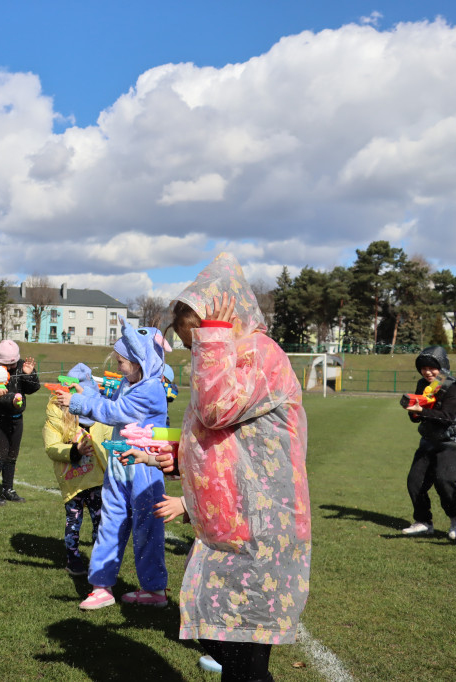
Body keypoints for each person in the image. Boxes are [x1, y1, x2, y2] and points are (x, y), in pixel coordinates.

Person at [153, 252, 311, 682]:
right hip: (235, 528)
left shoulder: (261, 354)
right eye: (192, 344)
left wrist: (213, 337)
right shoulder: (227, 353)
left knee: (246, 659)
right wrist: (182, 463)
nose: (194, 351)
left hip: (262, 530)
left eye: (194, 339)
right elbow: (222, 440)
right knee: (230, 647)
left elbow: (215, 408)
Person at [54, 319, 171, 610]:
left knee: (147, 530)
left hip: (146, 469)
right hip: (120, 466)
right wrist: (84, 391)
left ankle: (154, 590)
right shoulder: (128, 382)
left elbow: (116, 412)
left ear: (139, 360)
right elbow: (107, 404)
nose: (118, 367)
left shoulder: (152, 389)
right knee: (110, 522)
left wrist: (79, 404)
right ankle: (102, 586)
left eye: (121, 362)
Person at [43, 363, 109, 576]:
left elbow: (108, 438)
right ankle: (73, 558)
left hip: (98, 478)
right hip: (73, 480)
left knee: (101, 520)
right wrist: (75, 450)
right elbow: (52, 447)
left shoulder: (99, 410)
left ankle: (101, 559)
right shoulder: (56, 414)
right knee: (74, 521)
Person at [401, 345, 456, 540]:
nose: (428, 372)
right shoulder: (423, 384)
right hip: (430, 439)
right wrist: (414, 412)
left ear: (442, 366)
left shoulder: (452, 386)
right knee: (415, 482)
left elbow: (447, 417)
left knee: (444, 481)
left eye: (433, 367)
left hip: (454, 440)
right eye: (423, 368)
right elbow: (419, 414)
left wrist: (421, 411)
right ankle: (423, 522)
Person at [0, 339, 40, 504]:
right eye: (8, 365)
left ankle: (8, 489)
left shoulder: (21, 365)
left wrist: (30, 374)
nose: (12, 367)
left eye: (13, 364)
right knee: (1, 454)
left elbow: (33, 388)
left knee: (12, 456)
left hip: (16, 418)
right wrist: (11, 399)